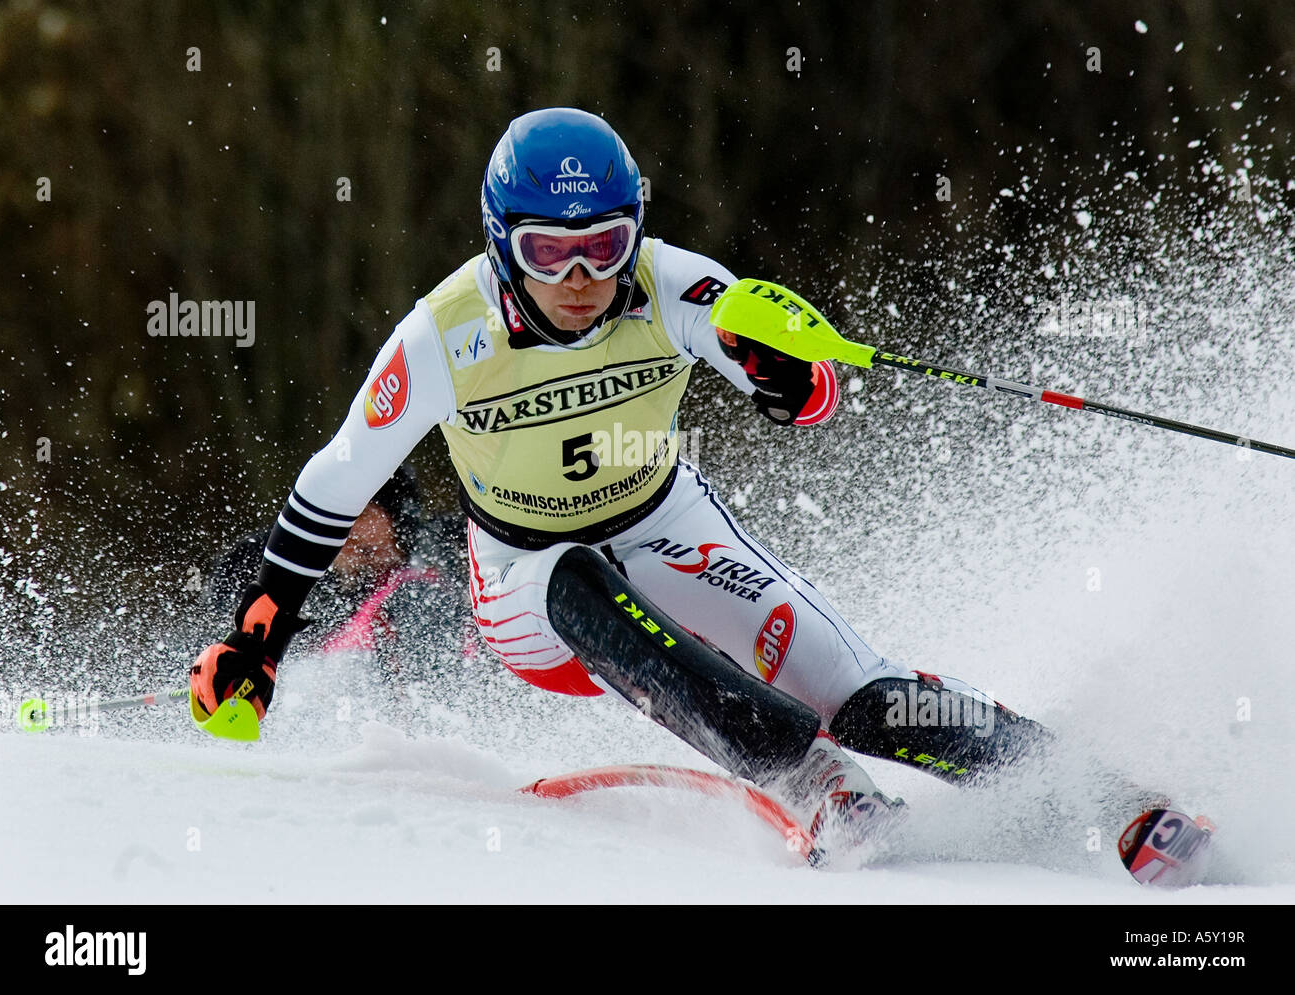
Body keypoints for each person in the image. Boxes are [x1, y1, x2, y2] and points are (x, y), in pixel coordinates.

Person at [190, 107, 1082, 865]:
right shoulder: (443, 336)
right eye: (547, 251)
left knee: (857, 690)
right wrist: (257, 636)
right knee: (578, 584)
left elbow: (803, 394)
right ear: (502, 244)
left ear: (635, 230)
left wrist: (784, 372)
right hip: (524, 578)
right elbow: (334, 482)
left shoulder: (670, 283)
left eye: (604, 245)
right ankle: (809, 778)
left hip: (667, 525)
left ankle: (1090, 788)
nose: (580, 279)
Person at [202, 465, 470, 672]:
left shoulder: (422, 590)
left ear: (399, 520)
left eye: (361, 514)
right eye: (333, 517)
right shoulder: (330, 590)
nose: (342, 529)